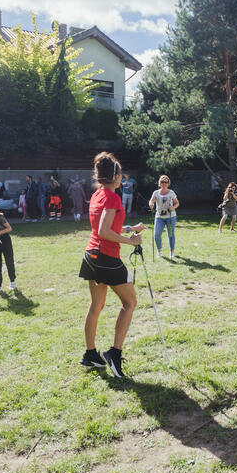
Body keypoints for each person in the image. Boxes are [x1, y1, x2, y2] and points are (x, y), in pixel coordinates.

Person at [78, 152, 147, 378]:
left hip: (91, 255)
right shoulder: (113, 198)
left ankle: (90, 354)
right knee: (130, 302)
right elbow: (104, 231)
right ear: (116, 175)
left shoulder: (98, 194)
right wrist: (131, 241)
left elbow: (105, 226)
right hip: (106, 258)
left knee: (96, 305)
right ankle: (114, 354)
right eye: (121, 174)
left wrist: (130, 228)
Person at [149, 175, 180, 259]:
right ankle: (159, 251)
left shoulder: (171, 192)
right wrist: (151, 204)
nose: (164, 183)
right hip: (159, 217)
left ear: (168, 183)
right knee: (157, 234)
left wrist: (173, 207)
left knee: (170, 234)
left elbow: (177, 203)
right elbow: (152, 200)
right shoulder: (156, 192)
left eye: (166, 182)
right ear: (160, 183)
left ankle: (172, 252)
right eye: (162, 182)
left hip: (171, 217)